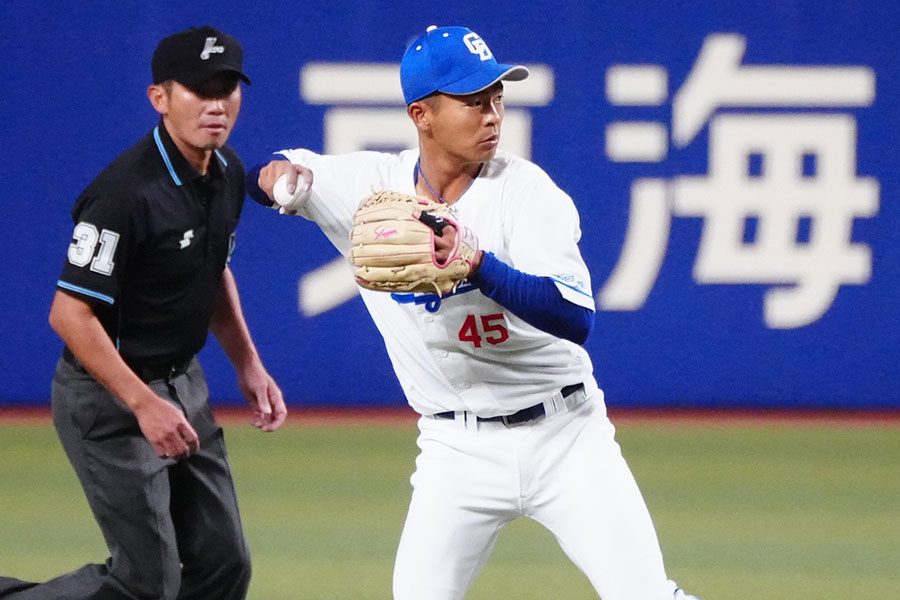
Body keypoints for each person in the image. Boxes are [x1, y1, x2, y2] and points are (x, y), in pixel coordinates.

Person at [250, 25, 699, 600]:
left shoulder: (527, 193)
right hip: (454, 450)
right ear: (421, 114)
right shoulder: (372, 187)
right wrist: (283, 179)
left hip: (565, 437)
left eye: (496, 97)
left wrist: (478, 263)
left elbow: (575, 317)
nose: (492, 114)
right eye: (471, 101)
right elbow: (266, 174)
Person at [0, 25, 286, 600]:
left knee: (224, 566)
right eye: (198, 90)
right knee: (145, 584)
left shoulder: (226, 172)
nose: (216, 104)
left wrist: (248, 364)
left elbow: (212, 273)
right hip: (109, 397)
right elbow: (69, 314)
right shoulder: (123, 194)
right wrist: (143, 403)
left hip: (184, 385)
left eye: (227, 88)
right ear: (160, 98)